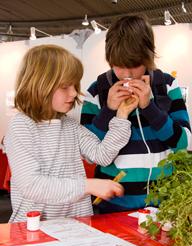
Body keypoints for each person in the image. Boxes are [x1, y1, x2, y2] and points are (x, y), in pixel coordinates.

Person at [4, 44, 139, 223]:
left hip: (75, 226)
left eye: (75, 85)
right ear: (40, 85)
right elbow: (32, 186)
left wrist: (122, 115)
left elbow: (102, 155)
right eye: (65, 86)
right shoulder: (22, 125)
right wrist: (88, 185)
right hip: (35, 230)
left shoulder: (69, 125)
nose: (74, 92)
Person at [81, 14, 191, 214]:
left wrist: (150, 107)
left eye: (134, 65)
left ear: (148, 57)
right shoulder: (96, 91)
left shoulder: (166, 85)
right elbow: (89, 154)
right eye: (119, 65)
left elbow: (184, 143)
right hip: (115, 204)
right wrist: (108, 110)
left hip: (166, 203)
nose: (127, 74)